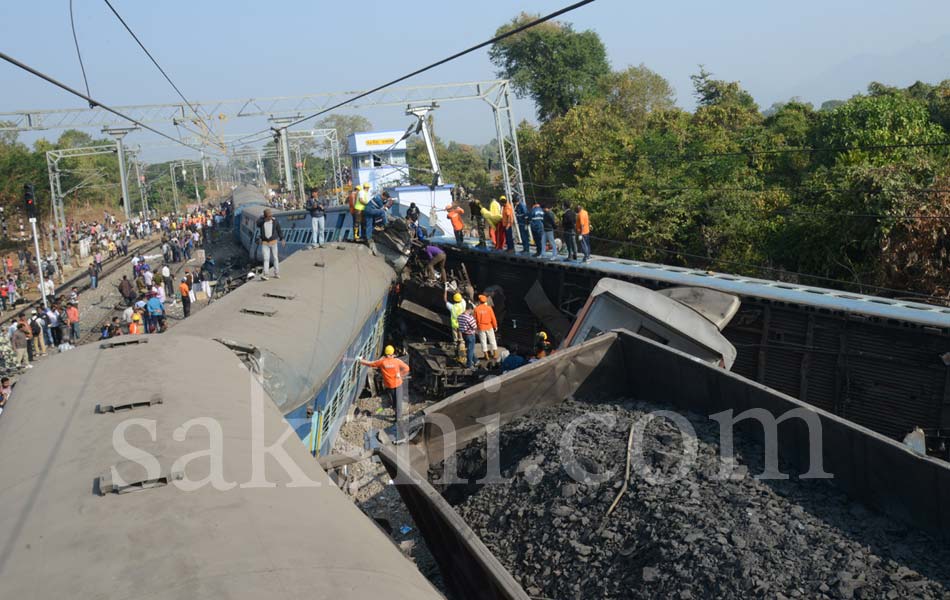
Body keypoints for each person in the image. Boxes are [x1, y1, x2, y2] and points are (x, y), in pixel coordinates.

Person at [359, 345, 410, 416]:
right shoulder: (397, 361)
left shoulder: (382, 362)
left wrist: (361, 361)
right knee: (398, 402)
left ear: (385, 353)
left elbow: (371, 364)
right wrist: (400, 375)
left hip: (389, 386)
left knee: (391, 401)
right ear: (393, 353)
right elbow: (407, 368)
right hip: (398, 384)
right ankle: (397, 416)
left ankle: (393, 410)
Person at [256, 208, 284, 280]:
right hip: (265, 243)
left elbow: (279, 230)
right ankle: (266, 274)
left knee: (275, 258)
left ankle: (276, 273)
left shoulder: (275, 221)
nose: (270, 217)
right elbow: (257, 223)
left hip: (273, 242)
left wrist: (282, 238)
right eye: (269, 216)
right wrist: (262, 218)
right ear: (265, 217)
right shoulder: (262, 222)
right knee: (266, 259)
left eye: (271, 216)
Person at [474, 294, 499, 362]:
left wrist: (475, 328)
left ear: (479, 301)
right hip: (489, 326)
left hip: (481, 328)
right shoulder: (489, 308)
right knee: (492, 341)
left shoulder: (476, 309)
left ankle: (486, 356)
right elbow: (493, 318)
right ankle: (495, 354)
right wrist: (495, 326)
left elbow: (475, 319)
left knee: (483, 342)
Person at [457, 304, 478, 370]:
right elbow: (474, 326)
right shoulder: (469, 318)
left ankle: (476, 360)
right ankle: (469, 364)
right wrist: (474, 320)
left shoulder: (460, 316)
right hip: (470, 335)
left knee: (469, 348)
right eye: (472, 310)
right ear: (470, 309)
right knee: (470, 350)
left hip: (464, 335)